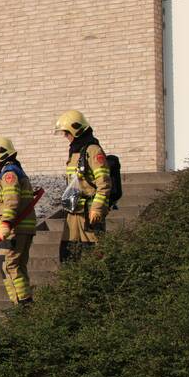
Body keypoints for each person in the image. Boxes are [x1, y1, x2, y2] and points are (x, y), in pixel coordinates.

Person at [0, 136, 37, 306]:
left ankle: (22, 305)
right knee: (17, 266)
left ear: (1, 154)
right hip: (22, 227)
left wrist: (6, 222)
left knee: (8, 266)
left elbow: (11, 199)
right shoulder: (16, 170)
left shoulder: (9, 174)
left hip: (14, 229)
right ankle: (26, 303)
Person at [53, 109, 112, 262]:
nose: (65, 136)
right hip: (74, 212)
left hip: (89, 213)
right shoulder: (75, 152)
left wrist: (97, 208)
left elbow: (104, 184)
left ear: (76, 130)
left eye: (67, 133)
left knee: (94, 255)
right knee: (68, 254)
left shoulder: (93, 151)